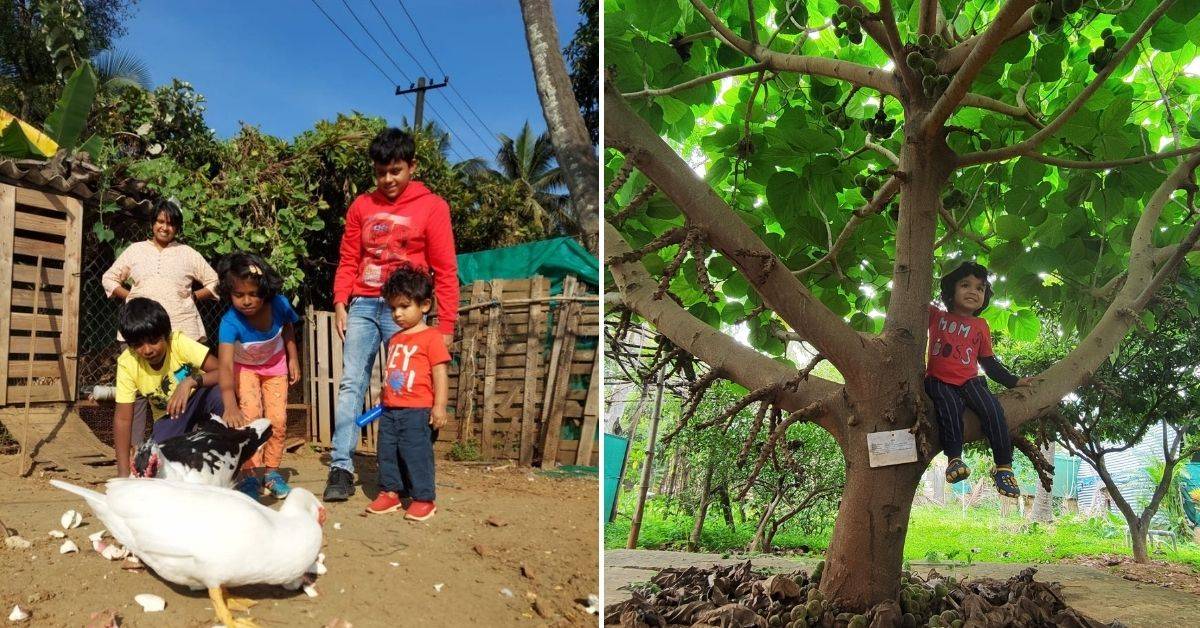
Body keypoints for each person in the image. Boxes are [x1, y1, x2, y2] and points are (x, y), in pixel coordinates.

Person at [323, 127, 459, 503]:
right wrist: (340, 301)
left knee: (410, 389)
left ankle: (410, 476)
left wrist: (445, 324)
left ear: (412, 166)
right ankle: (341, 465)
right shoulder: (361, 207)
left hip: (407, 311)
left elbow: (445, 270)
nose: (388, 179)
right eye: (381, 172)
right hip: (364, 303)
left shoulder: (433, 207)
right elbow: (349, 258)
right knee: (352, 382)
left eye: (396, 170)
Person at [102, 198, 219, 447]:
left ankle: (190, 448)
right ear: (153, 223)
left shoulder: (188, 253)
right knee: (139, 397)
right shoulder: (135, 250)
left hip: (182, 334)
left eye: (171, 224)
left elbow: (214, 282)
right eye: (160, 221)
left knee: (190, 392)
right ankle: (136, 450)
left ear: (177, 228)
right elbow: (109, 278)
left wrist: (193, 297)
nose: (165, 228)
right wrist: (131, 297)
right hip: (139, 334)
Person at [925, 261, 1032, 498]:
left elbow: (989, 363)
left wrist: (1013, 381)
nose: (974, 291)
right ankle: (954, 459)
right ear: (951, 290)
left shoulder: (980, 326)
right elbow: (915, 300)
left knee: (993, 410)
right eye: (965, 285)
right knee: (949, 410)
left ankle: (1003, 466)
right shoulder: (936, 317)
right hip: (939, 381)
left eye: (980, 288)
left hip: (970, 381)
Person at [366, 265, 450, 520]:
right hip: (391, 409)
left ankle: (424, 498)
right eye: (393, 308)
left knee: (416, 454)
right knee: (387, 452)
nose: (397, 314)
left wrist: (440, 406)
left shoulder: (432, 338)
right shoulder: (396, 339)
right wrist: (383, 393)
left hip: (418, 411)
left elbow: (440, 373)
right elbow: (393, 370)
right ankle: (390, 492)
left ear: (424, 305)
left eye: (404, 306)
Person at [215, 253, 300, 500]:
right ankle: (250, 477)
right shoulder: (229, 322)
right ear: (229, 293)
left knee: (277, 419)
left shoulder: (280, 305)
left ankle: (272, 474)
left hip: (275, 367)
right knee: (250, 418)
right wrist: (230, 404)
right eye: (239, 295)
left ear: (265, 291)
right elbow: (225, 366)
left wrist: (293, 357)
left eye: (253, 294)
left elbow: (288, 328)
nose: (247, 301)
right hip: (246, 370)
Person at [112, 298, 224, 478]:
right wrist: (123, 473)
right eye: (138, 345)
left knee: (223, 394)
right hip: (170, 416)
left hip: (200, 398)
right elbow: (123, 419)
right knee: (162, 460)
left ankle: (230, 459)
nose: (147, 350)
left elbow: (225, 371)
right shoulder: (127, 363)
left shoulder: (179, 342)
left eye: (154, 341)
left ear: (166, 335)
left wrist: (190, 382)